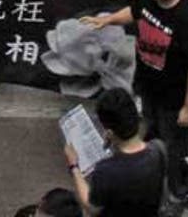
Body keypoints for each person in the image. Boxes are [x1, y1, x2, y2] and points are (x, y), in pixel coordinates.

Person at [126, 0, 188, 200]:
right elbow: (134, 13)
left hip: (173, 96)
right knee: (148, 128)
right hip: (146, 82)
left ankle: (178, 186)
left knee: (175, 146)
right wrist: (105, 20)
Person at [63, 86, 166, 217]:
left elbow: (92, 207)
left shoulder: (106, 170)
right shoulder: (158, 149)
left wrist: (74, 167)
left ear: (110, 132)